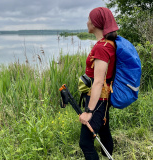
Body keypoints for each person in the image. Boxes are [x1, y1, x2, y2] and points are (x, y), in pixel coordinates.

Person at [79, 7, 118, 160]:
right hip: (103, 98)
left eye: (89, 19)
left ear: (95, 23)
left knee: (85, 142)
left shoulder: (102, 47)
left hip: (98, 100)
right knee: (104, 129)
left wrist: (89, 111)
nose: (87, 22)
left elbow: (99, 81)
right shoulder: (108, 44)